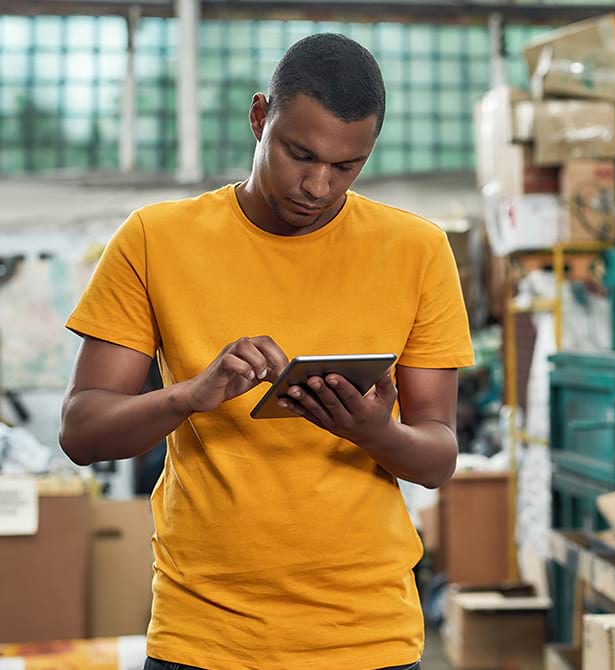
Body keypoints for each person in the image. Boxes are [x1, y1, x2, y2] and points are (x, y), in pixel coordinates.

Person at [61, 33, 473, 670]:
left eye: (346, 166)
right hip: (204, 639)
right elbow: (82, 433)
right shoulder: (154, 240)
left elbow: (438, 457)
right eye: (299, 154)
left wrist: (372, 432)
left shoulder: (417, 250)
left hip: (367, 638)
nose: (317, 185)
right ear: (260, 117)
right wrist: (190, 396)